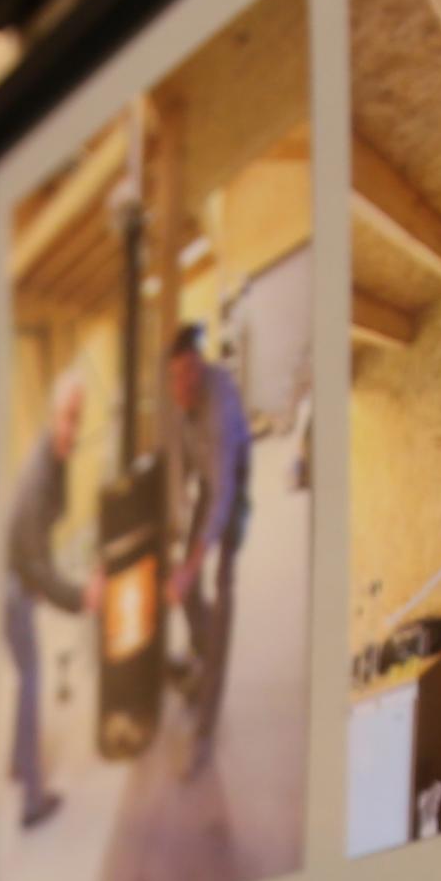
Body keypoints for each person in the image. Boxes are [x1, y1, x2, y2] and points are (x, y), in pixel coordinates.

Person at [0, 370, 93, 829]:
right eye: (67, 416)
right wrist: (80, 596)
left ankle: (19, 763)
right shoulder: (39, 475)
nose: (73, 427)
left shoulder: (56, 459)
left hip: (19, 574)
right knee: (32, 679)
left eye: (78, 417)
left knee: (26, 676)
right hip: (10, 586)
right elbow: (37, 566)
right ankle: (32, 802)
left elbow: (44, 536)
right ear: (53, 415)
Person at [163, 325, 253, 777]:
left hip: (231, 484)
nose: (180, 387)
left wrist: (193, 562)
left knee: (221, 592)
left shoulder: (218, 410)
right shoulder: (182, 404)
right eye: (174, 378)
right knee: (187, 579)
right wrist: (177, 549)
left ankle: (204, 731)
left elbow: (220, 497)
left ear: (198, 370)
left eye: (187, 376)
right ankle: (202, 655)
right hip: (207, 481)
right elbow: (181, 474)